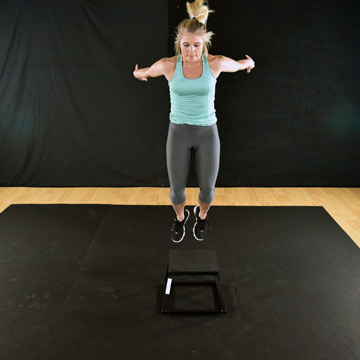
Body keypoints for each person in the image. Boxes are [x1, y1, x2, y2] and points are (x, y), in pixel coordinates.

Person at [133, 0, 255, 243]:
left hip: (207, 133)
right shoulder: (169, 65)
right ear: (179, 43)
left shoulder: (215, 63)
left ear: (204, 44)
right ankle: (180, 219)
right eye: (186, 45)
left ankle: (201, 216)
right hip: (178, 133)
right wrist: (140, 73)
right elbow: (147, 71)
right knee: (176, 190)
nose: (190, 51)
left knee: (207, 189)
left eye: (196, 45)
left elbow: (238, 65)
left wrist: (248, 63)